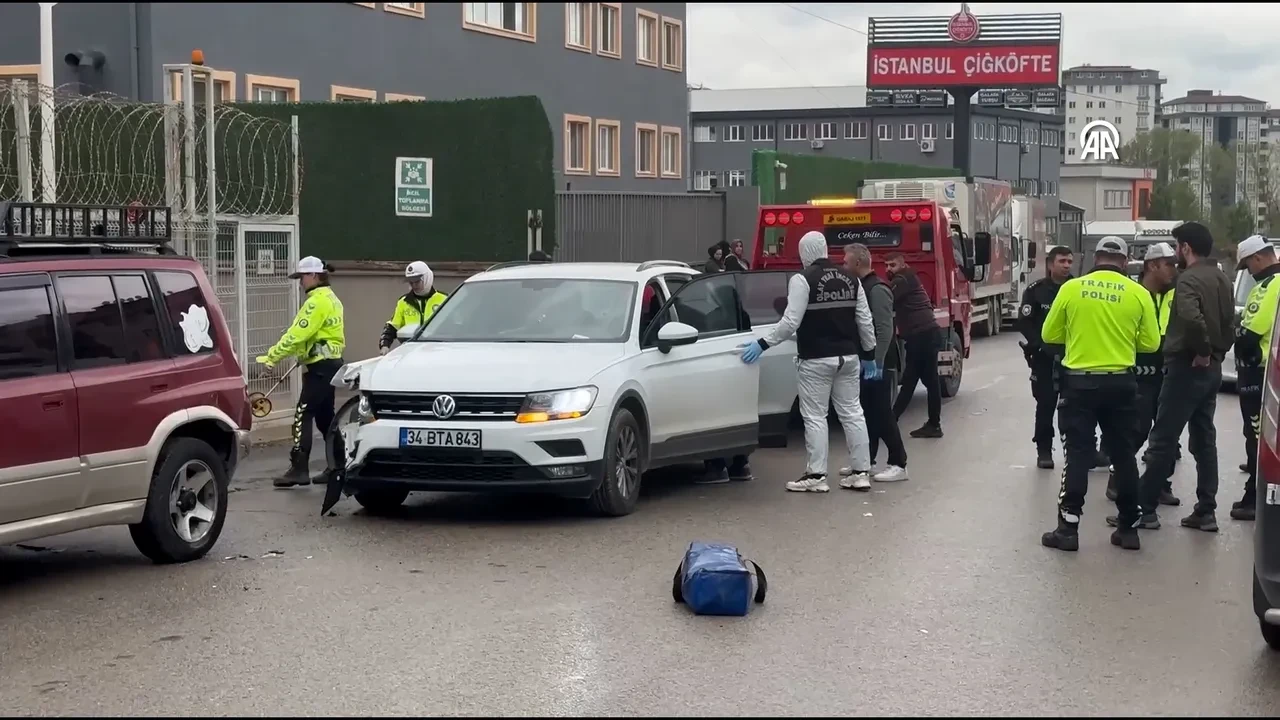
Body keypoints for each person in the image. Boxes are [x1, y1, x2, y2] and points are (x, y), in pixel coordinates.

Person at [1040, 236, 1160, 552]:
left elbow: (1049, 334)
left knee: (1078, 454)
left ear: (1096, 259)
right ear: (1123, 261)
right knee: (1123, 456)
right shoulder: (1139, 293)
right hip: (1122, 384)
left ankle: (1068, 530)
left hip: (1078, 384)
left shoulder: (1071, 289)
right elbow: (1151, 344)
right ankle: (1128, 529)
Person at [739, 231, 878, 493]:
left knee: (815, 417)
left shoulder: (802, 280)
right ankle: (861, 473)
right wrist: (869, 355)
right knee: (853, 413)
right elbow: (865, 320)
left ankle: (816, 475)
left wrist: (762, 344)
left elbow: (791, 321)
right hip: (848, 357)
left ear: (805, 253)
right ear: (825, 249)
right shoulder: (851, 279)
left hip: (815, 359)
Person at [1127, 221, 1234, 533]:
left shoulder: (1188, 281)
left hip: (1186, 367)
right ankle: (1206, 509)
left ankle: (1143, 509)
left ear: (1186, 248)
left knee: (1162, 439)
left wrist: (1201, 349)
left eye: (1177, 247)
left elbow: (1190, 317)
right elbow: (1229, 323)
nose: (1176, 253)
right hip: (1211, 368)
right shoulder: (1222, 278)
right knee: (1204, 439)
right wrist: (1216, 353)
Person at [257, 256, 347, 488]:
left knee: (302, 415)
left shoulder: (316, 302)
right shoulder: (332, 299)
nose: (300, 282)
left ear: (315, 275)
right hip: (330, 364)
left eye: (302, 277)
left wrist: (272, 357)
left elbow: (297, 334)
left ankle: (299, 468)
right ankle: (338, 465)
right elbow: (315, 336)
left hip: (320, 368)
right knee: (326, 418)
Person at [1105, 242, 1181, 507]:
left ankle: (1159, 482)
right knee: (1136, 429)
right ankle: (1117, 475)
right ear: (1152, 265)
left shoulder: (1177, 293)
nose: (1174, 270)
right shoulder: (1133, 293)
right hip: (1137, 369)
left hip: (1168, 369)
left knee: (1167, 432)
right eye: (1169, 264)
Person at [844, 243, 908, 482]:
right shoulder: (862, 287)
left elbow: (884, 329)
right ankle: (867, 461)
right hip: (867, 361)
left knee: (882, 414)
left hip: (880, 362)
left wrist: (876, 362)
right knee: (868, 412)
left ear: (858, 263)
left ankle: (898, 462)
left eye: (846, 262)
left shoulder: (877, 289)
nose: (843, 265)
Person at [1230, 235, 1280, 522]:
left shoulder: (1269, 285)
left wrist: (1241, 345)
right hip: (1270, 368)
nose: (1248, 270)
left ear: (1258, 258)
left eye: (1248, 264)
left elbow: (1250, 332)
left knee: (1258, 437)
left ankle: (1255, 498)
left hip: (1260, 371)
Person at [1019, 246, 1075, 469]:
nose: (1067, 265)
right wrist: (1038, 346)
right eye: (1062, 261)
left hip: (1074, 358)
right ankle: (1044, 450)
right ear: (1051, 264)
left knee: (1077, 408)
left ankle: (1082, 450)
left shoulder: (1077, 288)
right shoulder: (1036, 291)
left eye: (1070, 261)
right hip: (1044, 360)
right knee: (1045, 406)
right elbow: (1025, 321)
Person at [885, 252, 943, 438]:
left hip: (921, 336)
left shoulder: (902, 279)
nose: (888, 269)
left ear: (902, 265)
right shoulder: (908, 277)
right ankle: (934, 424)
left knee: (911, 379)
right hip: (927, 333)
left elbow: (887, 301)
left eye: (892, 265)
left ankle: (891, 421)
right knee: (930, 381)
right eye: (886, 265)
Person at [378, 261, 448, 355]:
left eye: (417, 281)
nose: (414, 285)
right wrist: (385, 345)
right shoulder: (403, 302)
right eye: (411, 282)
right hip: (410, 353)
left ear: (427, 278)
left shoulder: (444, 300)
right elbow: (392, 327)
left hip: (438, 351)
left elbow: (456, 326)